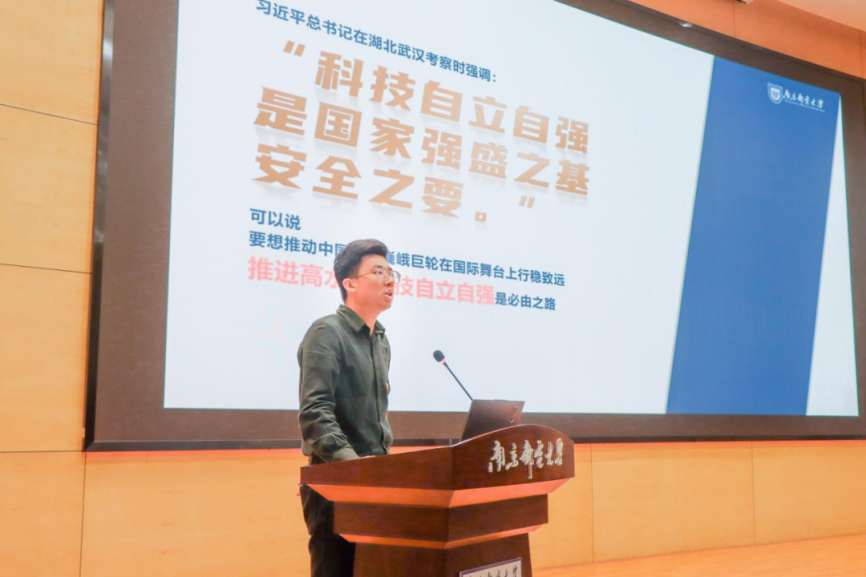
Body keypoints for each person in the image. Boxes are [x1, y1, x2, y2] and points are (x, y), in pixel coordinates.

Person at [297, 238, 399, 577]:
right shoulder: (327, 332)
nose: (390, 280)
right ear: (350, 283)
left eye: (392, 273)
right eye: (379, 272)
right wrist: (355, 469)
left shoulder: (380, 341)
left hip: (375, 483)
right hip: (336, 485)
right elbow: (315, 413)